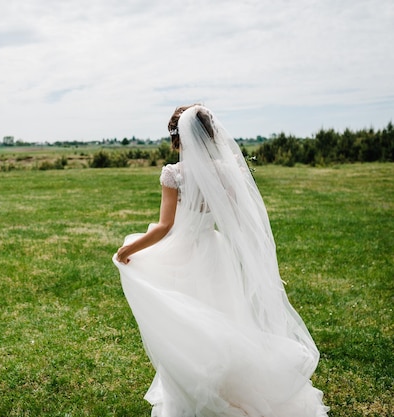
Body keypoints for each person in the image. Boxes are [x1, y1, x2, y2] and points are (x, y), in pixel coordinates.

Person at [113, 105, 329, 417]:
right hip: (216, 251)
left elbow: (163, 227)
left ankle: (192, 392)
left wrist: (127, 251)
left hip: (183, 253)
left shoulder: (174, 174)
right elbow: (241, 220)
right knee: (224, 316)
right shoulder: (229, 171)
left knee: (187, 326)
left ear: (179, 138)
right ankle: (229, 383)